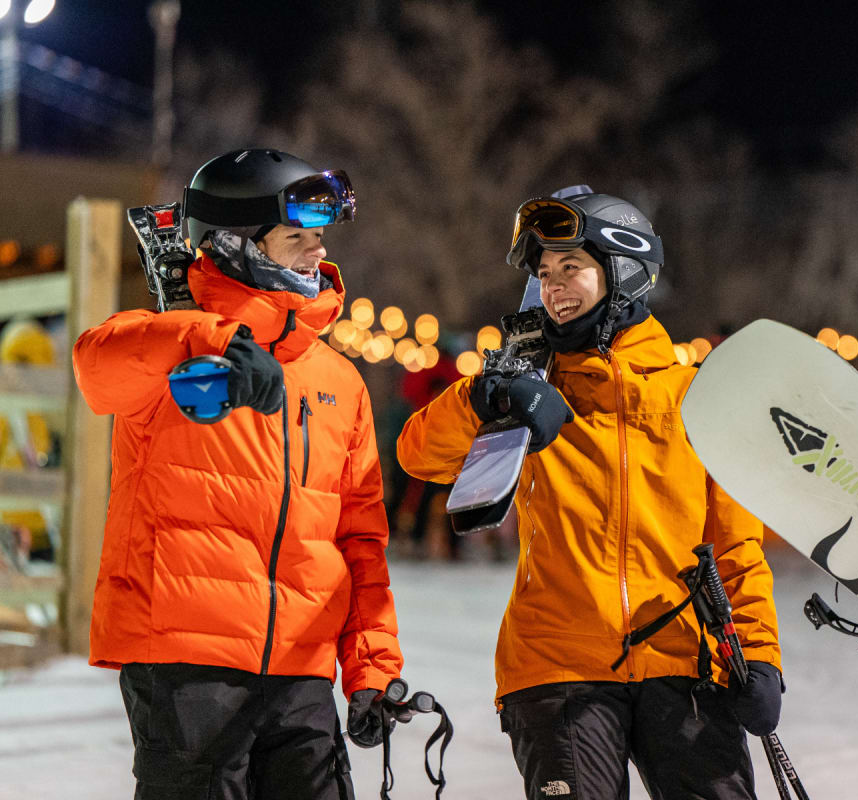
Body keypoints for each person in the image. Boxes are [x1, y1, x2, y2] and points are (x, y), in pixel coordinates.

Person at [397, 189, 782, 799]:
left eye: (570, 267)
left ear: (623, 270)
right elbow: (420, 455)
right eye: (545, 273)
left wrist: (759, 655)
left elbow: (736, 546)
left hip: (683, 660)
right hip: (558, 665)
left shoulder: (694, 397)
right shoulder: (531, 387)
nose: (553, 287)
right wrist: (485, 396)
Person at [72, 149, 405, 799]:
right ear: (236, 244)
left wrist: (372, 668)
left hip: (302, 672)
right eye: (296, 238)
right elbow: (95, 366)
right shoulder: (166, 341)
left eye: (320, 237)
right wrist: (210, 340)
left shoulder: (340, 381)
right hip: (187, 663)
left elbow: (359, 542)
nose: (318, 253)